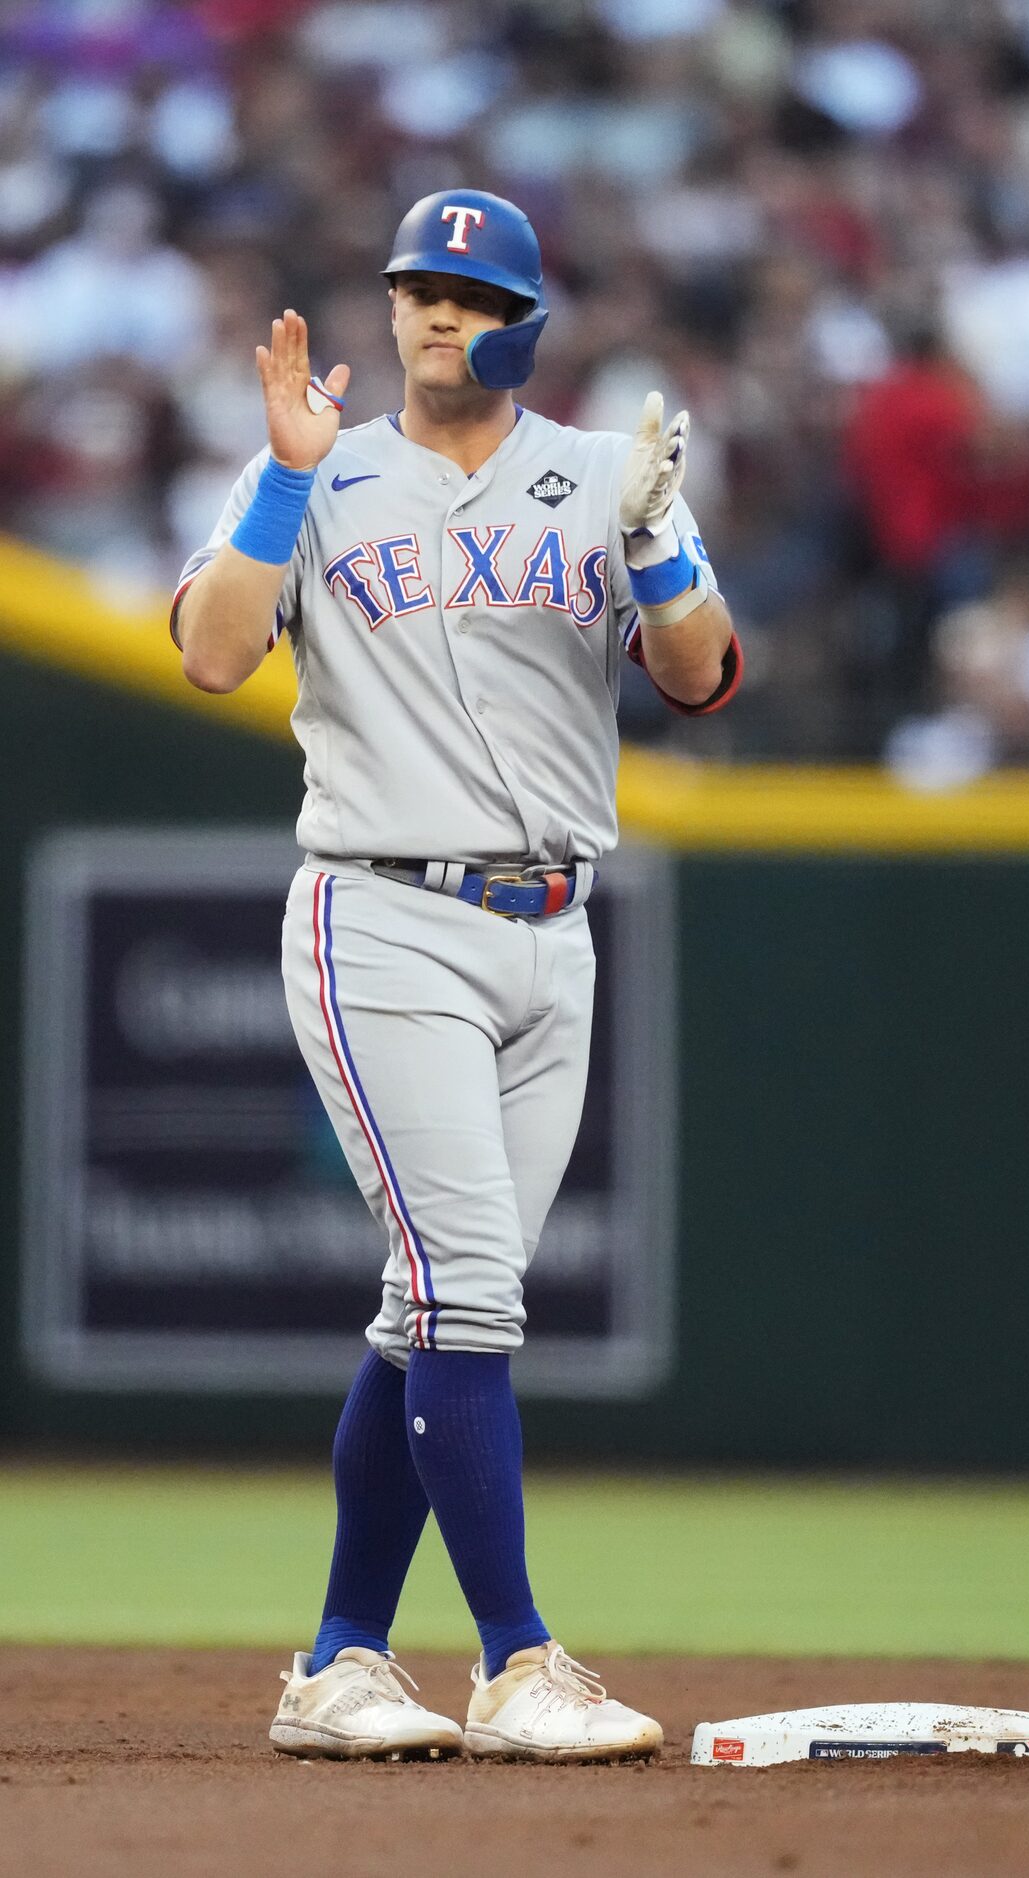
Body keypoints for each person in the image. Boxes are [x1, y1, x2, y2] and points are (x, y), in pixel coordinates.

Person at [172, 188, 741, 1762]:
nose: (436, 313)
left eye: (471, 294)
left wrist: (656, 542)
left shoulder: (594, 477)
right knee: (465, 1291)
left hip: (556, 930)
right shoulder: (319, 469)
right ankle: (517, 1657)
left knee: (432, 1312)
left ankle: (340, 1661)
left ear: (526, 321)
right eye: (418, 288)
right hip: (384, 909)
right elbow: (214, 653)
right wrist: (285, 481)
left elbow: (700, 678)